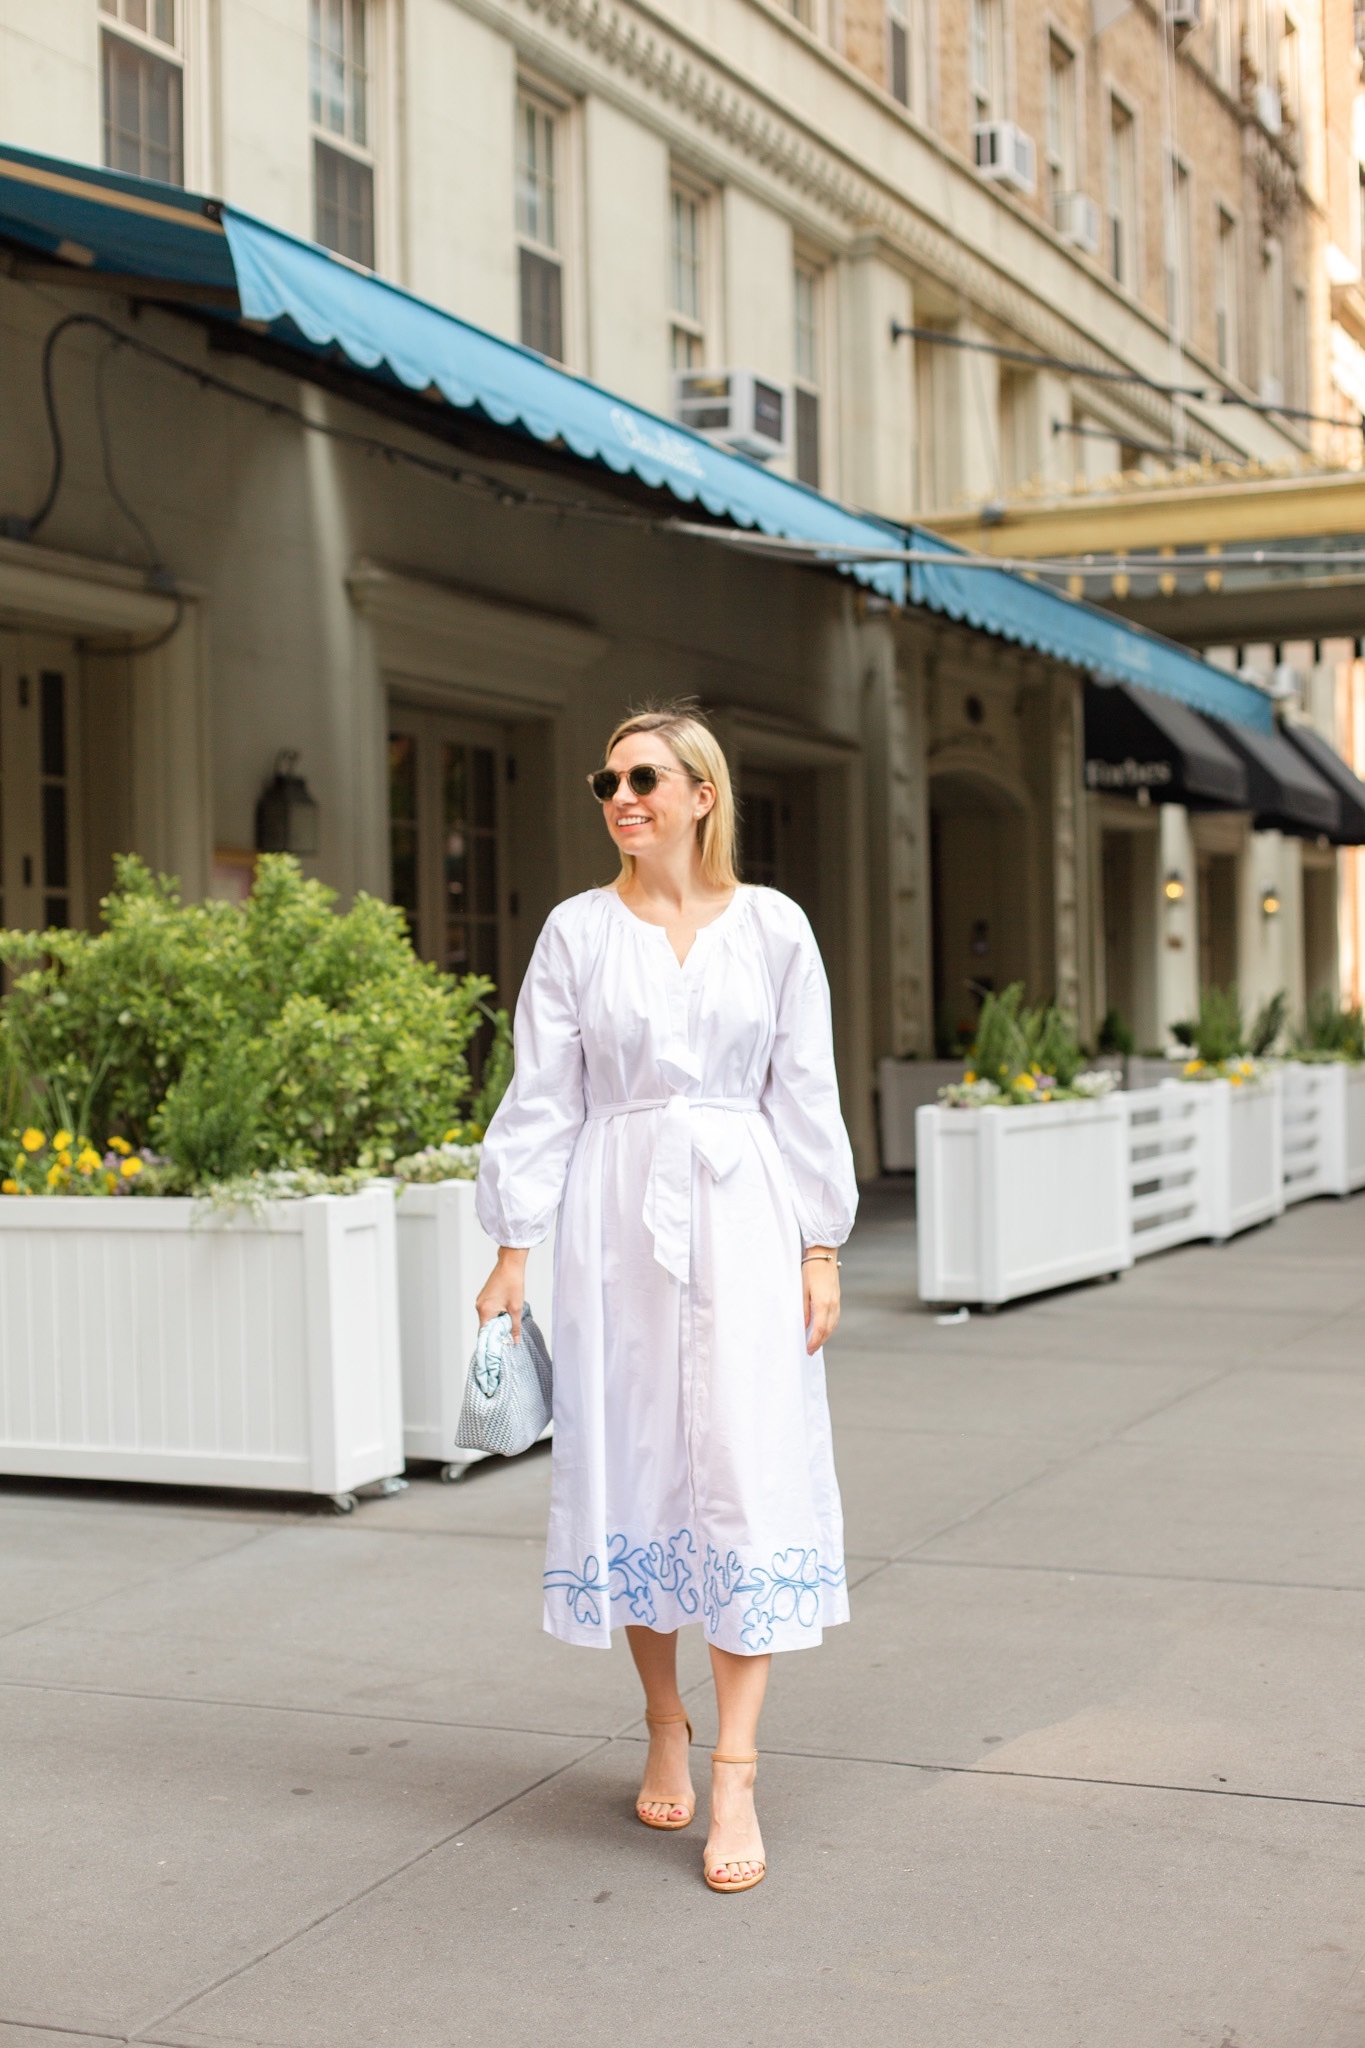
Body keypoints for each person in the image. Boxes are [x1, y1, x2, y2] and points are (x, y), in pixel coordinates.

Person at [475, 703, 857, 1894]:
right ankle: (663, 1719)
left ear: (702, 792)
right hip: (613, 1227)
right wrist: (510, 1242)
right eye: (606, 779)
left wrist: (822, 1245)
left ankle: (736, 1765)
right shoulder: (577, 932)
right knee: (636, 1466)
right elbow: (544, 1094)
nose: (620, 796)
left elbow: (805, 1091)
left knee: (748, 1471)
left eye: (644, 776)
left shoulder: (776, 928)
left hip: (748, 1224)